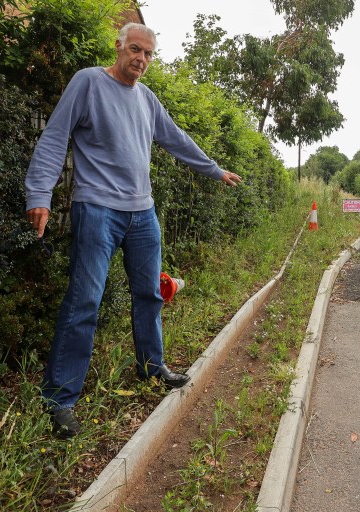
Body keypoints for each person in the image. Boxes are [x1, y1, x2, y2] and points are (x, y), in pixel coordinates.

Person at [25, 22, 242, 438]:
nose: (141, 59)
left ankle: (150, 365)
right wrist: (40, 192)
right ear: (119, 47)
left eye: (148, 54)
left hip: (143, 214)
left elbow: (175, 138)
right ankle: (61, 398)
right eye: (135, 50)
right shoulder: (88, 82)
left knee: (149, 293)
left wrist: (213, 169)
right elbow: (55, 137)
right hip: (97, 210)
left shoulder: (146, 99)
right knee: (84, 301)